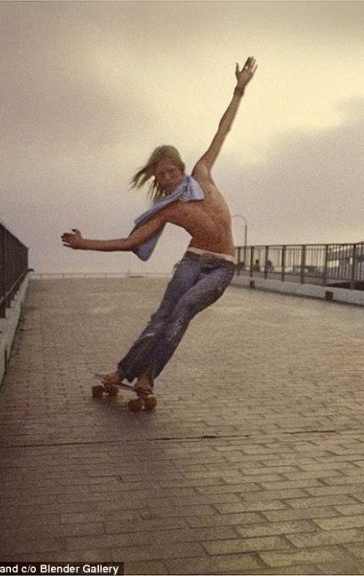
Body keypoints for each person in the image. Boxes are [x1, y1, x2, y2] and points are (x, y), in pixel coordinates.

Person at [61, 57, 257, 397]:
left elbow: (222, 130)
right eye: (160, 175)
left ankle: (147, 375)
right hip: (193, 262)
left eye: (170, 172)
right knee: (161, 317)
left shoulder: (202, 173)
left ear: (180, 168)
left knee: (181, 312)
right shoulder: (168, 210)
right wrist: (84, 243)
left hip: (221, 268)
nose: (166, 179)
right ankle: (126, 373)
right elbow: (129, 242)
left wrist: (239, 89)